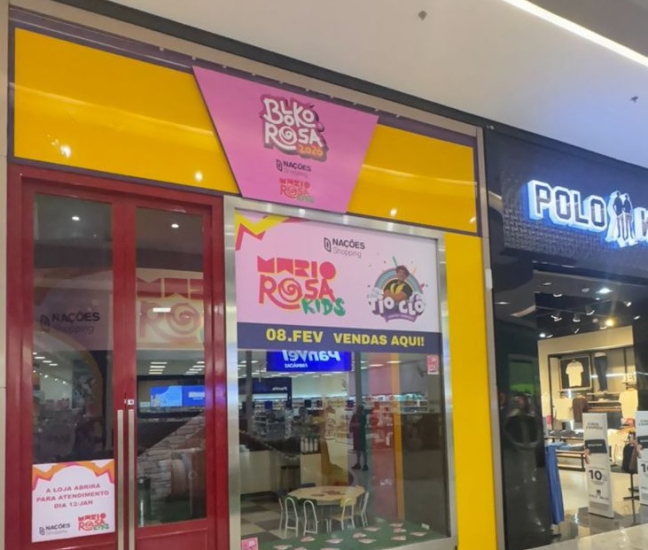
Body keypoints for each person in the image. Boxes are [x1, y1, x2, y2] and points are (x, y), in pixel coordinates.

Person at [350, 405, 368, 471]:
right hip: (356, 435)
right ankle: (358, 463)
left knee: (363, 450)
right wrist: (355, 425)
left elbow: (361, 425)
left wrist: (354, 425)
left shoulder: (363, 417)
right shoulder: (355, 416)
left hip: (361, 435)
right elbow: (351, 424)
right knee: (357, 450)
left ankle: (365, 464)